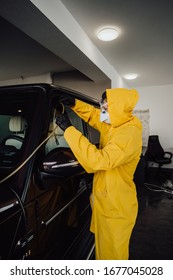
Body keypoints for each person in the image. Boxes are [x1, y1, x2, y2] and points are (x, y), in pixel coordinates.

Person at [55, 88, 142, 260]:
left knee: (113, 259)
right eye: (102, 103)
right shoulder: (116, 125)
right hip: (105, 202)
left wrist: (69, 131)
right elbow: (95, 116)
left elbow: (98, 161)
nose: (102, 108)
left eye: (105, 105)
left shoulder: (128, 134)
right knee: (103, 253)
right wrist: (75, 104)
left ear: (118, 107)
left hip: (116, 209)